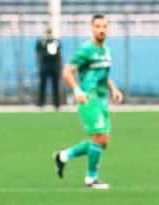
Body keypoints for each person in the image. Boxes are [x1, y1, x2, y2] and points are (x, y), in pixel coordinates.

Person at [55, 15, 124, 190]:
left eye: (104, 26)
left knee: (103, 141)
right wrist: (77, 90)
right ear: (92, 28)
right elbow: (67, 71)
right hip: (88, 98)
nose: (101, 30)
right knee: (99, 138)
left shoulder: (106, 50)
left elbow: (104, 75)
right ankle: (91, 178)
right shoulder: (86, 50)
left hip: (101, 99)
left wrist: (114, 89)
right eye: (98, 26)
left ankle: (63, 156)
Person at [36, 27, 62, 110]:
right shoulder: (41, 41)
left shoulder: (56, 41)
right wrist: (39, 64)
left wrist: (59, 66)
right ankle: (41, 104)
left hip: (54, 66)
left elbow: (59, 54)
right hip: (44, 66)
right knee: (42, 85)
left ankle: (57, 104)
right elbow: (37, 53)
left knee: (55, 85)